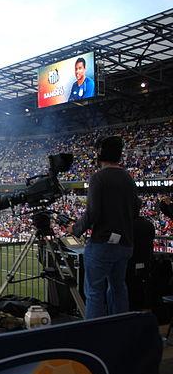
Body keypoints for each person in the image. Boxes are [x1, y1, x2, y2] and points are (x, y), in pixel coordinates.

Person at [67, 135, 140, 319]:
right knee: (118, 288)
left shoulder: (98, 178)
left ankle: (96, 336)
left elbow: (92, 213)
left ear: (100, 154)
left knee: (94, 293)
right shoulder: (128, 178)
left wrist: (75, 229)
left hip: (102, 244)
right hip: (125, 244)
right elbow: (136, 208)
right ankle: (120, 330)